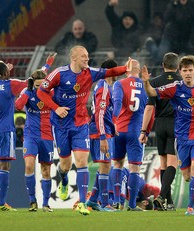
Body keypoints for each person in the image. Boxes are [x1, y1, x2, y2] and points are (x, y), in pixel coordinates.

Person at [37, 45, 130, 215]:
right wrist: (56, 108)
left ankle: (81, 202)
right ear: (74, 58)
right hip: (60, 125)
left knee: (81, 162)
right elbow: (41, 92)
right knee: (65, 165)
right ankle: (64, 179)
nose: (87, 59)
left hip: (80, 124)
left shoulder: (90, 72)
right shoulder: (58, 73)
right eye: (83, 57)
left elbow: (108, 72)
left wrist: (126, 68)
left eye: (87, 56)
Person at [141, 55, 194, 215]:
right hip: (182, 139)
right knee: (187, 176)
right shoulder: (175, 87)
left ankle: (190, 208)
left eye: (190, 70)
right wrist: (145, 81)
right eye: (184, 70)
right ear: (180, 71)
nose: (187, 73)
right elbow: (151, 91)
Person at [0, 60, 28, 211]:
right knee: (5, 166)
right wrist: (46, 67)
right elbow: (30, 82)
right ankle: (1, 204)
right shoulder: (11, 84)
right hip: (5, 129)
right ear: (6, 73)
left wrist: (4, 72)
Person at [15, 53, 56, 212]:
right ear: (33, 83)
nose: (41, 88)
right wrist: (26, 91)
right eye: (37, 86)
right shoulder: (28, 91)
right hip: (31, 135)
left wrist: (47, 65)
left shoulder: (50, 92)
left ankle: (46, 203)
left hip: (47, 135)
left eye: (42, 85)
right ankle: (33, 201)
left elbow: (43, 73)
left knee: (46, 170)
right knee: (29, 166)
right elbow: (18, 106)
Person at [139, 52, 180, 211]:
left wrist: (144, 130)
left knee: (163, 163)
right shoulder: (181, 82)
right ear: (177, 67)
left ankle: (168, 202)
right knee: (172, 163)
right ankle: (163, 197)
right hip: (176, 124)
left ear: (163, 65)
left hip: (160, 125)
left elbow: (149, 109)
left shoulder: (154, 82)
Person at [111, 59, 148, 211]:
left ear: (126, 70)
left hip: (118, 130)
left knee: (117, 165)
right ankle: (132, 205)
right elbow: (150, 111)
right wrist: (146, 131)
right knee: (134, 169)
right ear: (138, 71)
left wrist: (113, 121)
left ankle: (117, 201)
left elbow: (117, 102)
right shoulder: (146, 87)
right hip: (136, 132)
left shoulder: (119, 84)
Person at [86, 59, 118, 212]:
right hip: (100, 132)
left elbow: (106, 113)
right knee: (105, 165)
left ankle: (92, 200)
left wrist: (112, 127)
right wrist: (103, 136)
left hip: (104, 129)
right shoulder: (104, 87)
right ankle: (105, 203)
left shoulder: (104, 86)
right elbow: (99, 113)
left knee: (105, 165)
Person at [145, 0, 194, 64]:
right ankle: (150, 43)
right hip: (170, 36)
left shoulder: (193, 5)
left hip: (184, 38)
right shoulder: (173, 4)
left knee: (189, 60)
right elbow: (166, 18)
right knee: (160, 58)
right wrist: (174, 5)